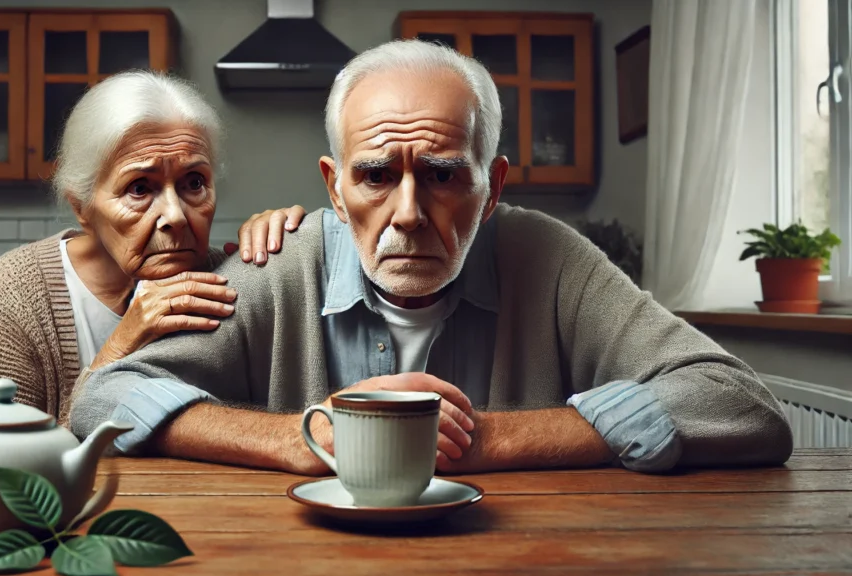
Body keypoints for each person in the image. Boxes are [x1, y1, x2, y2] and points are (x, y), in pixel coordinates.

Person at [67, 41, 793, 475]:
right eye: (377, 174)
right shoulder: (279, 263)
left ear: (493, 186)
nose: (409, 213)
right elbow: (103, 398)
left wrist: (491, 439)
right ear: (336, 186)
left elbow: (739, 404)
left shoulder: (547, 255)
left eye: (444, 174)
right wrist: (301, 436)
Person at [0, 70, 306, 425]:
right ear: (81, 207)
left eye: (194, 182)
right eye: (139, 188)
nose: (176, 216)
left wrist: (292, 249)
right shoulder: (13, 293)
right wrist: (117, 350)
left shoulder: (232, 276)